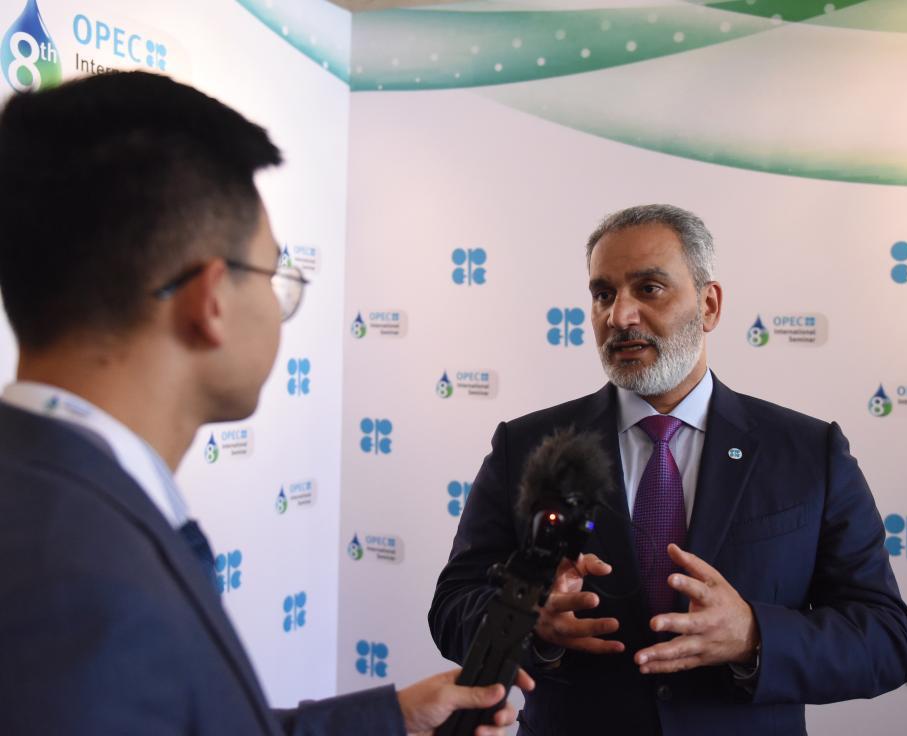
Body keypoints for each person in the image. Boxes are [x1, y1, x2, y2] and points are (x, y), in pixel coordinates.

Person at [0, 71, 530, 735]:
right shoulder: (79, 585)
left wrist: (391, 721)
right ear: (211, 301)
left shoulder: (59, 500)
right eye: (273, 276)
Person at [430, 204, 907, 735]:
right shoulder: (524, 446)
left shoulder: (808, 452)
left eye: (649, 288)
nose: (620, 316)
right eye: (603, 294)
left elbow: (884, 639)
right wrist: (528, 623)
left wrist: (755, 636)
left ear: (709, 305)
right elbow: (453, 607)